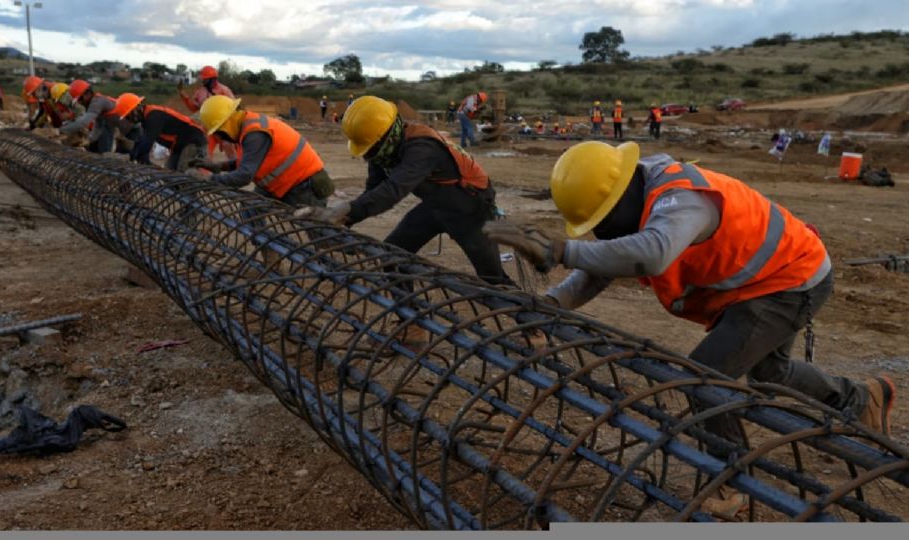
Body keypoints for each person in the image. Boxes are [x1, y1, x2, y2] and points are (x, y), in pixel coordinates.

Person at [485, 140, 897, 463]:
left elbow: (653, 252)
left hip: (790, 279)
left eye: (605, 220)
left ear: (625, 189)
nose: (604, 233)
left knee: (706, 376)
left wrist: (561, 251)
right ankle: (860, 398)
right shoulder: (639, 200)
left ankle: (730, 472)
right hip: (760, 281)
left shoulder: (681, 200)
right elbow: (602, 266)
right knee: (771, 374)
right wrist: (552, 304)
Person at [295, 95, 511, 287]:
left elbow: (392, 191)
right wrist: (341, 219)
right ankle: (413, 326)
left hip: (470, 208)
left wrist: (343, 211)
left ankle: (534, 328)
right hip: (435, 206)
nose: (368, 156)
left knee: (492, 279)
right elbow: (374, 191)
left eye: (371, 149)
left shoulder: (422, 148)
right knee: (393, 258)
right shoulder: (381, 152)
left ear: (386, 135)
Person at [192, 95, 332, 208]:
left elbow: (244, 176)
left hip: (303, 185)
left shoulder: (255, 133)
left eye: (219, 133)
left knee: (321, 234)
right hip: (283, 183)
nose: (220, 138)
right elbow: (246, 161)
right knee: (250, 208)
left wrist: (209, 180)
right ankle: (267, 243)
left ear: (226, 125)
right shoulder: (245, 128)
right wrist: (217, 166)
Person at [112, 93, 207, 172]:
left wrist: (133, 156)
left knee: (182, 176)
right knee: (170, 176)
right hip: (179, 146)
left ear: (136, 108)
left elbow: (146, 143)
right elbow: (141, 141)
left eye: (128, 115)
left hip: (193, 142)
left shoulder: (154, 116)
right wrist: (134, 155)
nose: (129, 120)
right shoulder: (146, 120)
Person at [58, 80, 121, 153]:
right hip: (113, 125)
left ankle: (106, 157)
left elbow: (83, 122)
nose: (80, 103)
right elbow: (98, 125)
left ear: (87, 93)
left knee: (104, 144)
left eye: (80, 99)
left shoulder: (97, 102)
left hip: (121, 128)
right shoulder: (96, 103)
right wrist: (89, 140)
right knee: (93, 146)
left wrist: (61, 130)